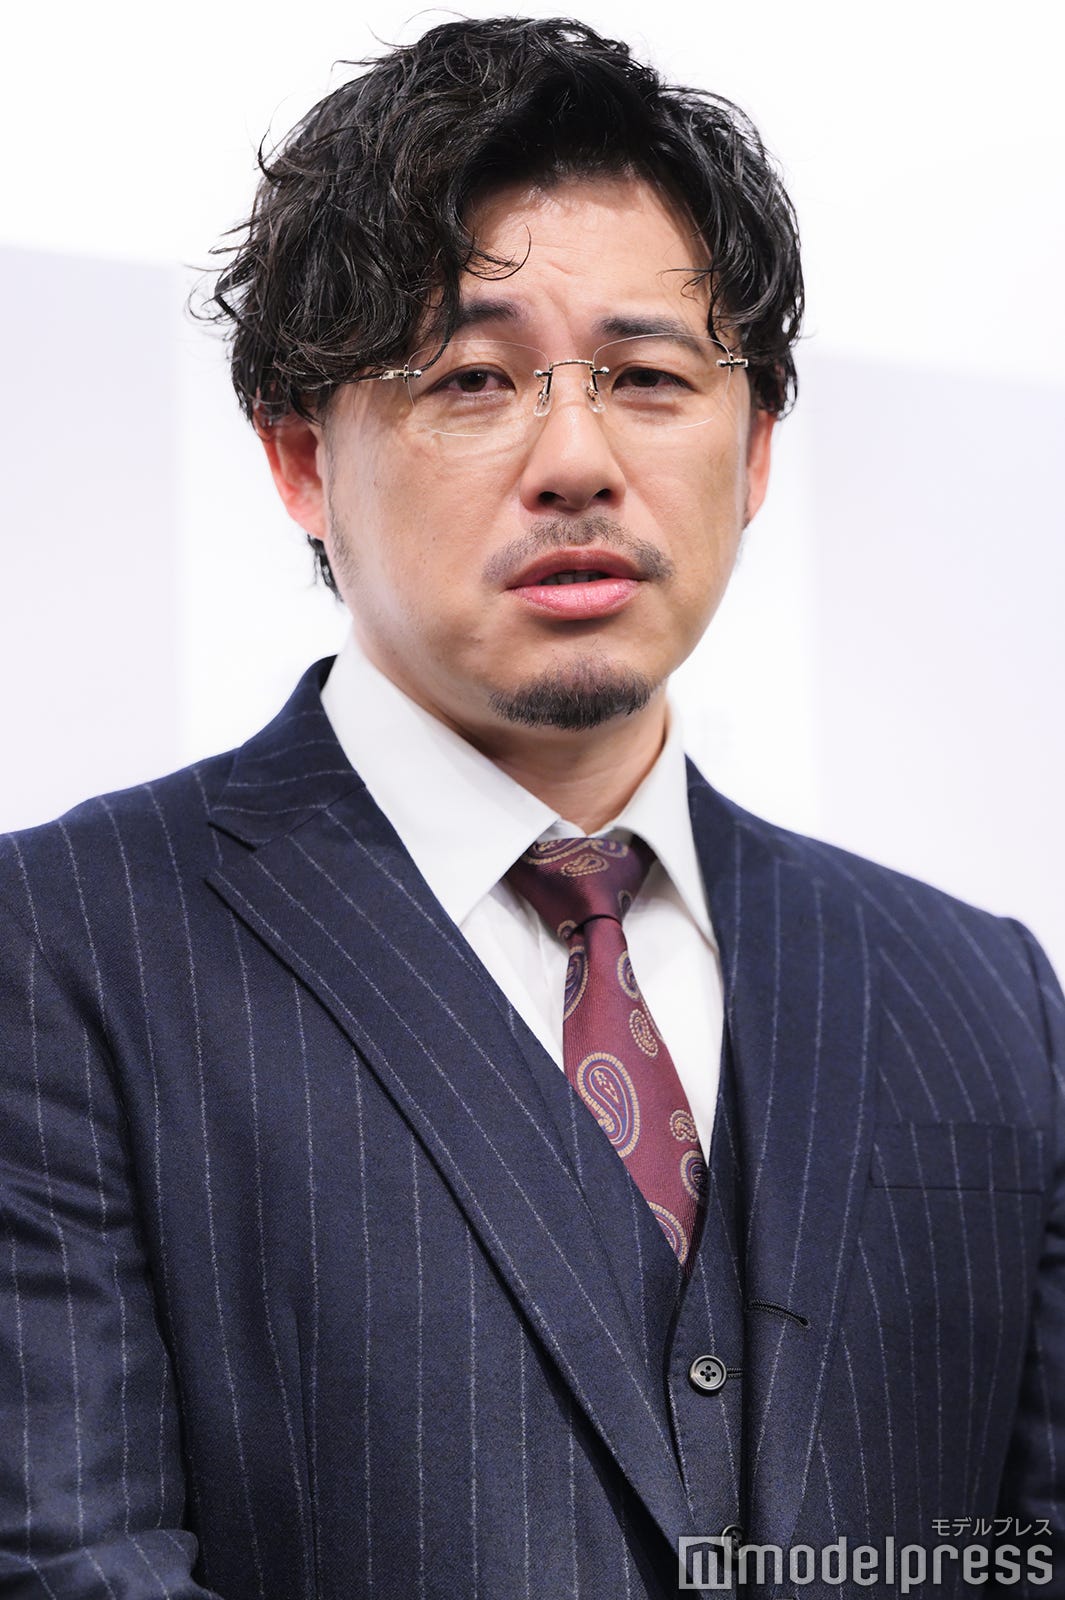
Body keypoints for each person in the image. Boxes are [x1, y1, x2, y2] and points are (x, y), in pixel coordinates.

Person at [1, 17, 1061, 1599]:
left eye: (648, 377)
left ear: (754, 448)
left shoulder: (979, 992)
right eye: (473, 379)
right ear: (299, 458)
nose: (576, 460)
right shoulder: (61, 946)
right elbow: (70, 1560)